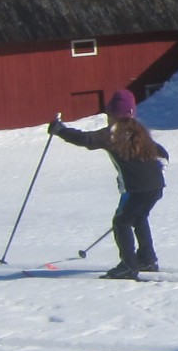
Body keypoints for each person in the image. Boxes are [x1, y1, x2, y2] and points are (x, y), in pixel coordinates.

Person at [51, 90, 169, 280]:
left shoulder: (113, 134)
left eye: (109, 114)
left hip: (137, 189)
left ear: (113, 114)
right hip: (156, 186)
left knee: (121, 222)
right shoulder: (138, 130)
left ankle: (129, 266)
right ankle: (147, 259)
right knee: (139, 218)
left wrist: (60, 130)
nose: (108, 118)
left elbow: (87, 139)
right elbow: (160, 150)